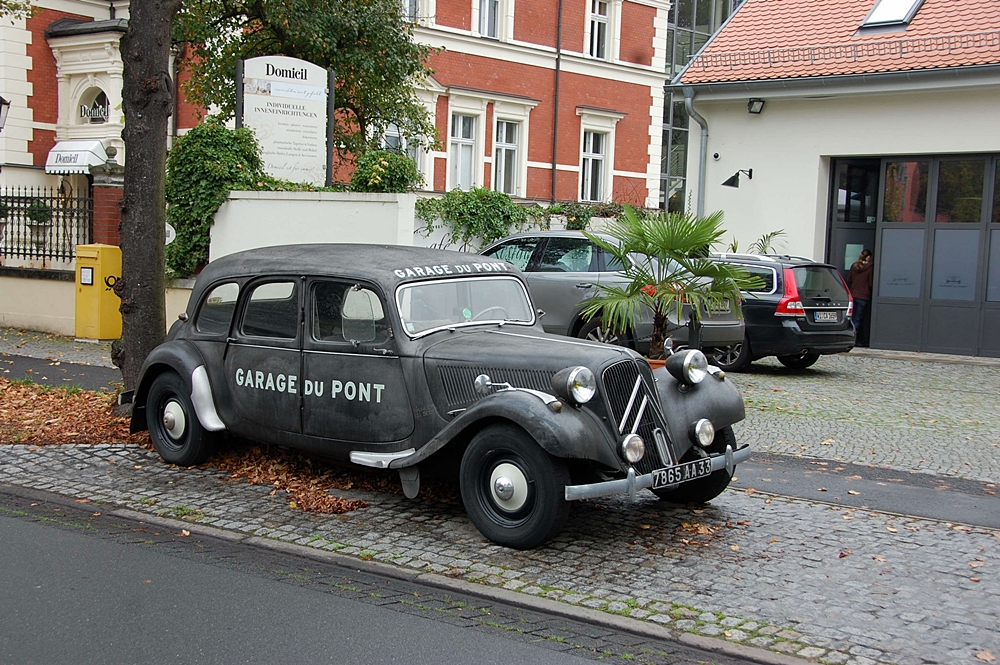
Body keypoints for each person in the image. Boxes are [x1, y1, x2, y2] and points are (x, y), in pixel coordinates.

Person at [847, 249, 873, 346]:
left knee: (853, 318)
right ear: (868, 257)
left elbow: (849, 279)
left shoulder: (854, 266)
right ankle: (853, 339)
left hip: (854, 294)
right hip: (863, 296)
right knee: (859, 319)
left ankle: (857, 339)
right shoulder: (870, 267)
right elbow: (871, 283)